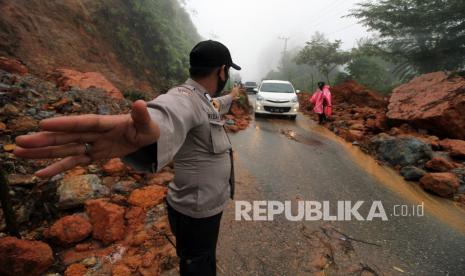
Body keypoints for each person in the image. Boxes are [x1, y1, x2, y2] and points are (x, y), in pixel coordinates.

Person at [13, 40, 242, 276]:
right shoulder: (184, 96)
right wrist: (149, 128)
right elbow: (169, 111)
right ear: (222, 71)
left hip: (205, 206)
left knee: (202, 258)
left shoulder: (203, 99)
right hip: (195, 211)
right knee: (197, 263)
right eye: (227, 73)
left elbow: (214, 106)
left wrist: (232, 97)